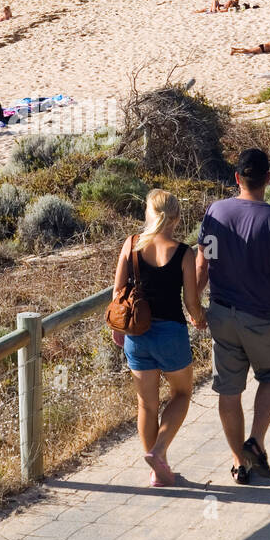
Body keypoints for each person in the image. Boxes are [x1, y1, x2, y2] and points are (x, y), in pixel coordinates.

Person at [195, 148, 270, 485]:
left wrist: (195, 307)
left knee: (229, 391)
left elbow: (203, 263)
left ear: (237, 179)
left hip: (222, 316)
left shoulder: (216, 212)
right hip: (262, 317)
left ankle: (237, 463)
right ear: (268, 179)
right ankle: (255, 441)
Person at [111, 190, 207, 487]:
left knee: (147, 406)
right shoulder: (183, 253)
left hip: (137, 334)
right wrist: (201, 319)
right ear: (176, 220)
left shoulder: (130, 245)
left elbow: (117, 294)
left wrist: (117, 328)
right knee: (182, 394)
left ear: (148, 215)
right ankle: (159, 451)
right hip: (170, 334)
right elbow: (191, 302)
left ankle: (156, 472)